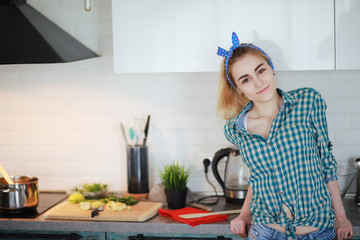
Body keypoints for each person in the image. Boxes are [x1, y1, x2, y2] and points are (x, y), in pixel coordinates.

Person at [216, 32, 353, 240]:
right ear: (240, 90)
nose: (258, 82)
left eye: (260, 70)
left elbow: (326, 163)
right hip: (265, 232)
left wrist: (341, 217)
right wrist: (244, 213)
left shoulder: (307, 102)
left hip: (318, 231)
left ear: (271, 68)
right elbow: (258, 175)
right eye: (246, 80)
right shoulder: (236, 129)